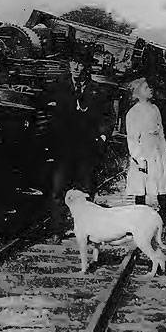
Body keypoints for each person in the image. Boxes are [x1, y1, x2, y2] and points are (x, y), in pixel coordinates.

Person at [46, 48, 114, 242]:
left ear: (87, 67)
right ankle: (57, 230)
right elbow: (49, 113)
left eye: (80, 64)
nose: (76, 68)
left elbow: (108, 117)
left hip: (87, 148)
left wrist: (102, 136)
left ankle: (89, 231)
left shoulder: (98, 90)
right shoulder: (59, 87)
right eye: (73, 63)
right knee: (59, 189)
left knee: (86, 189)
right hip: (63, 148)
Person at [125, 76, 166, 223]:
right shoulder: (133, 113)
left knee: (161, 181)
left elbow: (160, 133)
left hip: (156, 151)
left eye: (151, 88)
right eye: (146, 88)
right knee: (140, 185)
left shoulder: (155, 109)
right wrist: (139, 158)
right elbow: (132, 139)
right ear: (137, 92)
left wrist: (165, 152)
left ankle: (164, 212)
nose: (151, 90)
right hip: (143, 153)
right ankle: (140, 216)